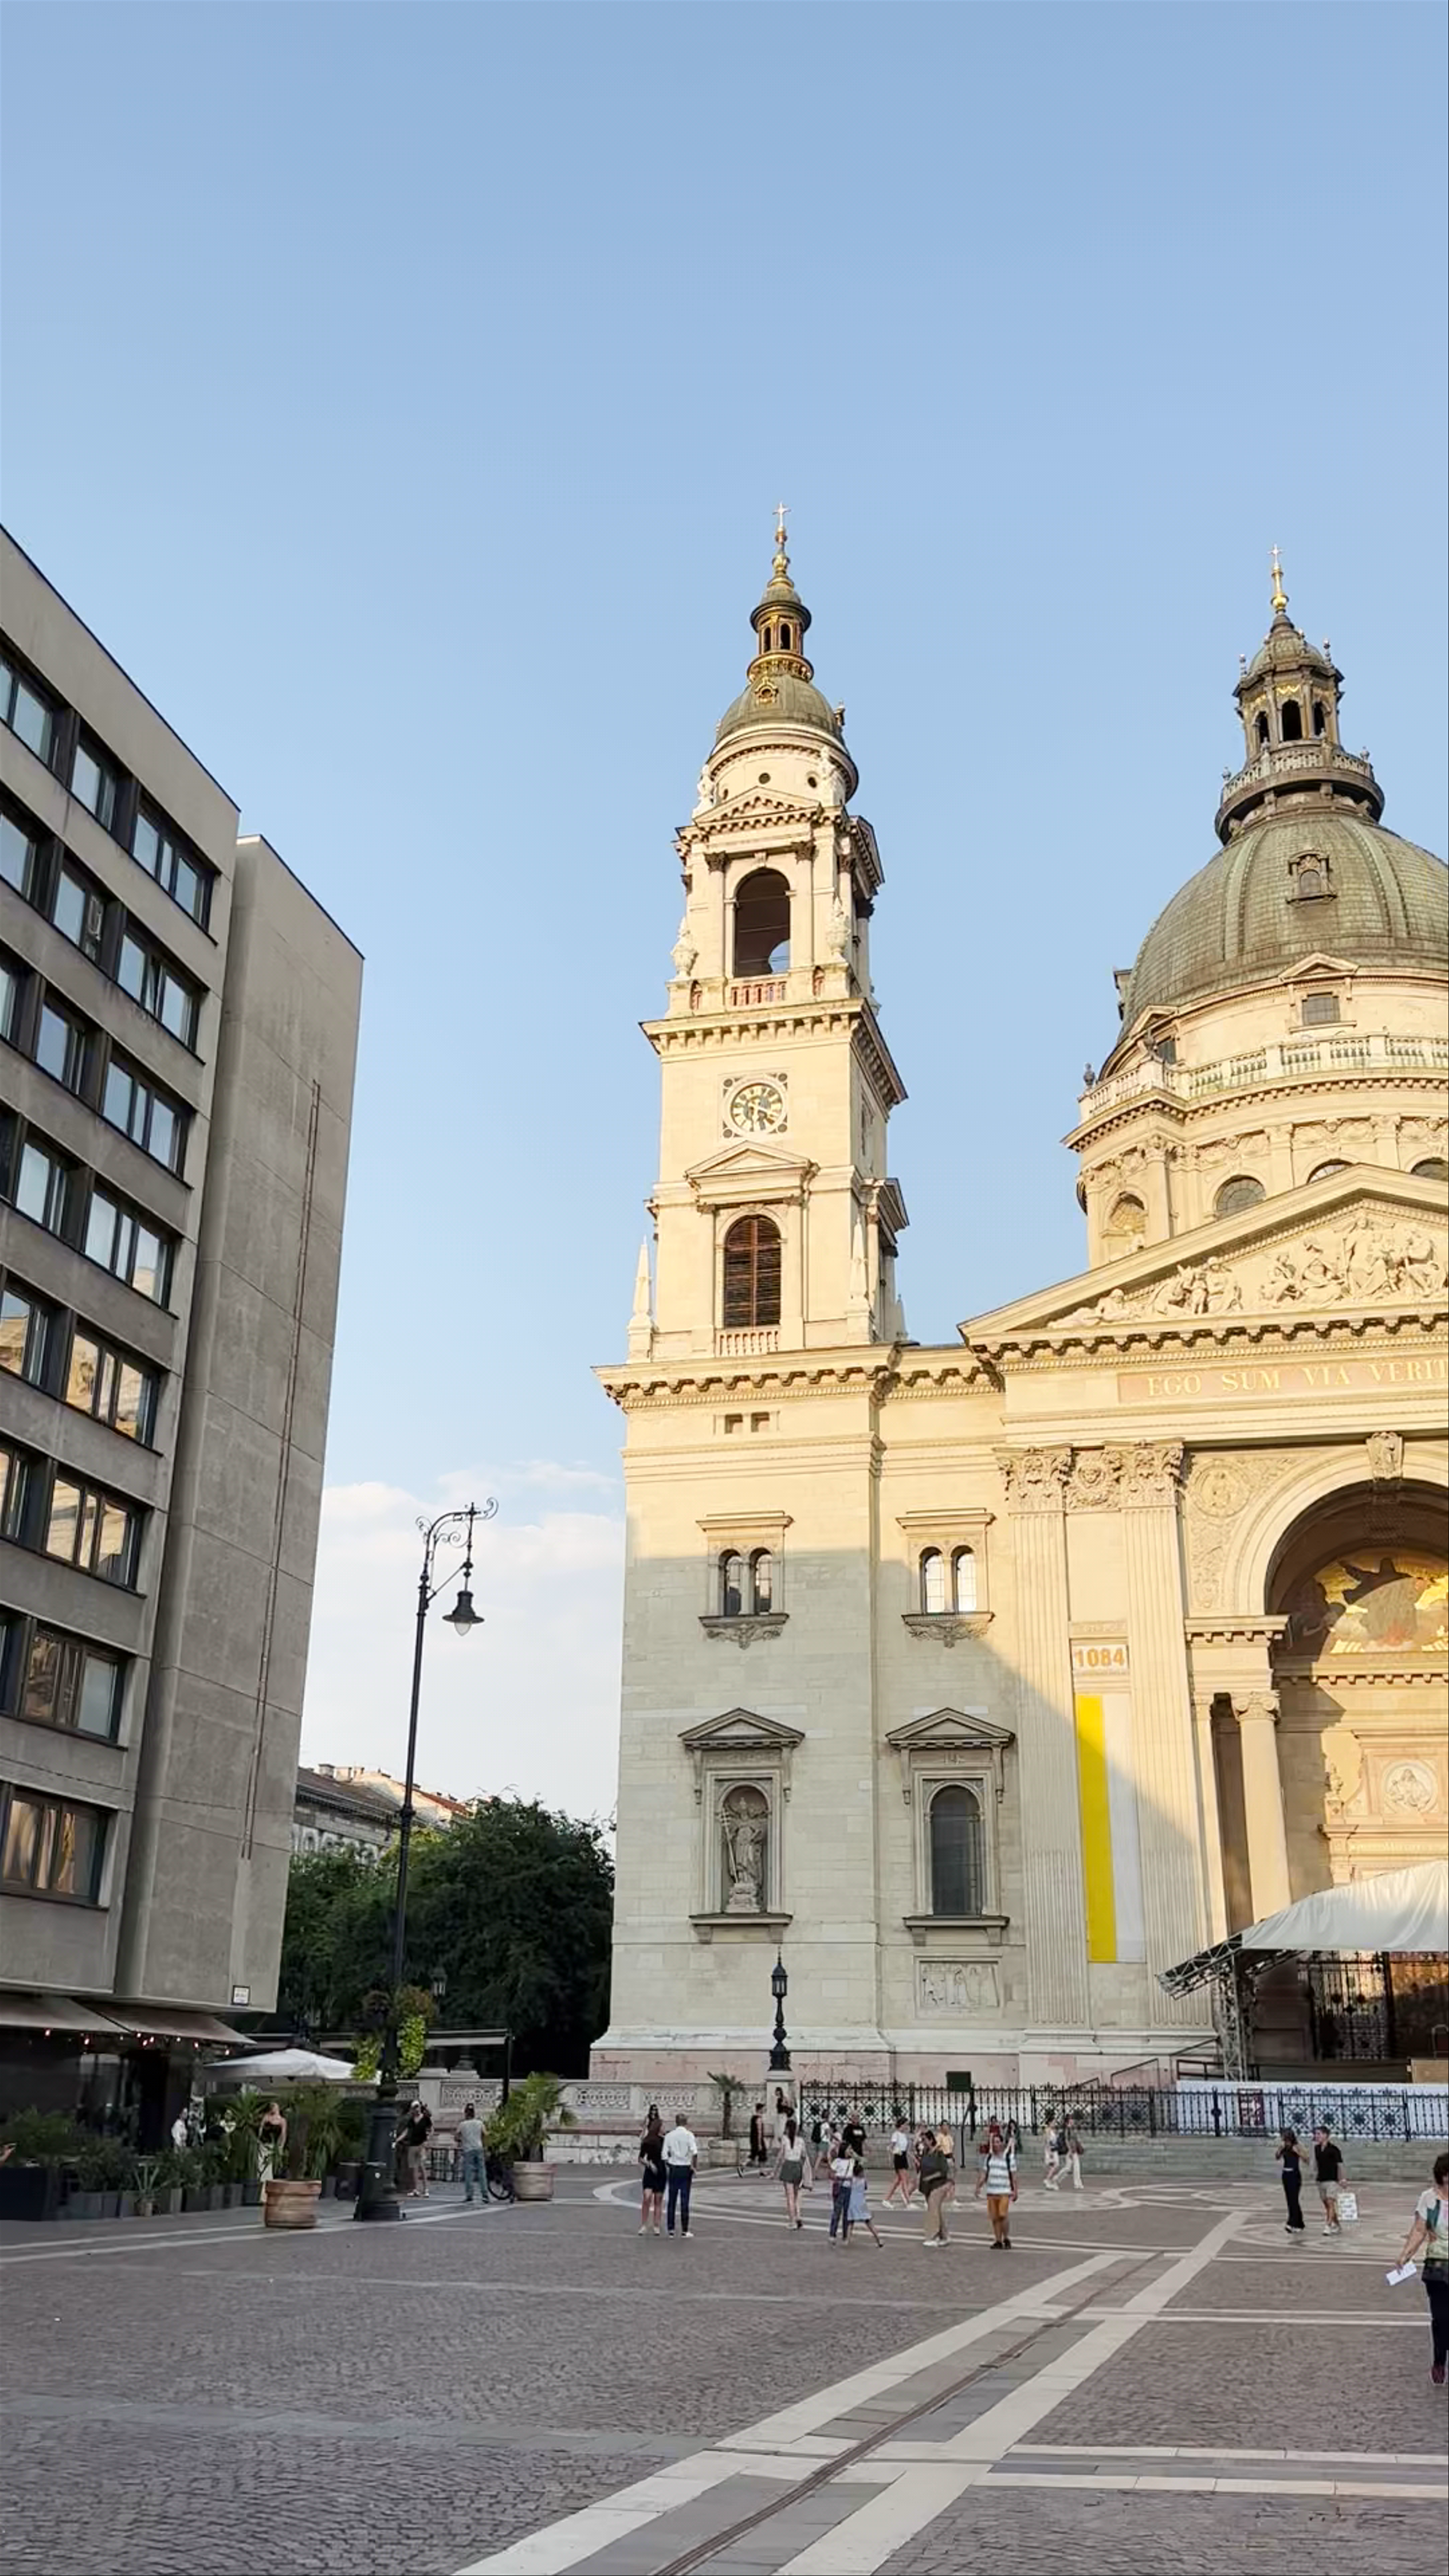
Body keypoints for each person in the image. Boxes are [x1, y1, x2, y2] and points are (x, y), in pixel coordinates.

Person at [1397, 2149, 1449, 2385]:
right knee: (1441, 2319)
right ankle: (1440, 2361)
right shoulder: (1429, 2198)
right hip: (1438, 2267)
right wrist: (1406, 2254)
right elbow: (1419, 2229)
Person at [976, 2121, 1018, 2248]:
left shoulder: (1009, 2158)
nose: (996, 2145)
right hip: (992, 2191)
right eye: (994, 2143)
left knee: (1003, 2215)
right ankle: (998, 2240)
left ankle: (1006, 2238)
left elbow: (1014, 2176)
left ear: (1002, 2144)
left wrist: (1015, 2191)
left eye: (998, 2142)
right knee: (995, 2218)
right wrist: (978, 2187)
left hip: (1004, 2191)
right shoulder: (989, 2158)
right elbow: (984, 2174)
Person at [661, 2110, 698, 2238]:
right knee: (685, 2199)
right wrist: (694, 2167)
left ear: (676, 2122)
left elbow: (664, 2156)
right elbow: (694, 2153)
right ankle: (685, 2230)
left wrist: (670, 2165)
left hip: (674, 2168)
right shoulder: (689, 2135)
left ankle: (671, 2229)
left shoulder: (669, 2136)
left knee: (671, 2200)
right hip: (685, 2168)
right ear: (686, 2123)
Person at [918, 2129, 952, 2245]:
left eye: (925, 2140)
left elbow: (943, 2171)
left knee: (933, 2209)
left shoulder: (939, 2153)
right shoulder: (926, 2152)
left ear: (931, 2140)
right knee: (936, 2210)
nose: (923, 2142)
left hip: (940, 2185)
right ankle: (945, 2236)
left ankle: (933, 2237)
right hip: (928, 2186)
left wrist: (930, 2178)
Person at [1312, 2124, 1346, 2235]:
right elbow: (1317, 2163)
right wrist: (1316, 2174)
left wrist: (1342, 2179)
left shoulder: (1334, 2150)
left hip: (1332, 2180)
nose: (1317, 2136)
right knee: (1327, 2205)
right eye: (1316, 2134)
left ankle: (1328, 2226)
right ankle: (1337, 2225)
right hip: (1321, 2180)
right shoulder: (1317, 2149)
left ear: (1326, 2135)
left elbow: (1340, 2165)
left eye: (1319, 2134)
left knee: (1331, 2202)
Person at [638, 2111, 667, 2234]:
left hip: (662, 2170)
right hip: (651, 2170)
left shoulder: (666, 2141)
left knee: (659, 2199)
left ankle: (656, 2225)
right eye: (663, 2126)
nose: (665, 2129)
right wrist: (649, 2164)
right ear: (658, 2128)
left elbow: (669, 2155)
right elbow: (640, 2158)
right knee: (647, 2197)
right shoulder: (648, 2141)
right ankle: (644, 2225)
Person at [1276, 2126, 1306, 2236]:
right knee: (1290, 2199)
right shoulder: (1284, 2147)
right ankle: (1299, 2223)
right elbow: (1277, 2157)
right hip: (1286, 2174)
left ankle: (1292, 2223)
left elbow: (1306, 2159)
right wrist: (1280, 2149)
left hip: (1295, 2174)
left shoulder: (1297, 2146)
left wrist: (1298, 2152)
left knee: (1294, 2199)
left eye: (1286, 2139)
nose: (1285, 2141)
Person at [848, 2156, 883, 2248]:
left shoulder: (851, 2180)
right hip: (862, 2204)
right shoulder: (863, 2181)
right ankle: (878, 2240)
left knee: (851, 2223)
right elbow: (866, 2188)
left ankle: (847, 2240)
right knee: (869, 2223)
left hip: (852, 2204)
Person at [400, 2098, 432, 2198]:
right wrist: (398, 2140)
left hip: (421, 2145)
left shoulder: (426, 2119)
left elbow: (431, 2130)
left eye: (418, 2107)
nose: (417, 2110)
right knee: (414, 2168)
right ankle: (416, 2189)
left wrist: (427, 2141)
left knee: (422, 2167)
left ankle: (426, 2189)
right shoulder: (411, 2120)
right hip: (413, 2145)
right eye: (415, 2108)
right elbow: (407, 2132)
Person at [457, 2102, 486, 2204]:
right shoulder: (480, 2123)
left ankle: (470, 2195)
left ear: (466, 2113)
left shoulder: (462, 2125)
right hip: (479, 2148)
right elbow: (485, 2134)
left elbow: (457, 2136)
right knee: (482, 2173)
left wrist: (462, 2140)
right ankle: (485, 2195)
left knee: (469, 2174)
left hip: (468, 2150)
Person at [829, 2137, 856, 2241]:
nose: (851, 2151)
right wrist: (840, 2178)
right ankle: (833, 2234)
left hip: (849, 2189)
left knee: (847, 2213)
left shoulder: (852, 2161)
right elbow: (831, 2174)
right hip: (840, 2188)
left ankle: (845, 2235)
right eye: (849, 2149)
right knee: (837, 2212)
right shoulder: (838, 2161)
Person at [885, 2120, 914, 2207]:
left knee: (898, 2181)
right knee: (904, 2179)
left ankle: (887, 2199)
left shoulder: (904, 2135)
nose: (907, 2126)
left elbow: (907, 2150)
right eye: (906, 2125)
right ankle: (908, 2202)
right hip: (899, 2157)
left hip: (904, 2157)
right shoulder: (896, 2134)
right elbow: (890, 2147)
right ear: (901, 2125)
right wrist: (895, 2152)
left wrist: (914, 2159)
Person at [256, 2100, 286, 2181]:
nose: (273, 2109)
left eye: (274, 2107)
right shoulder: (267, 2117)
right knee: (261, 2162)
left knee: (270, 2164)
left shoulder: (282, 2121)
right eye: (272, 2107)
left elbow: (283, 2134)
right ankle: (261, 2179)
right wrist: (258, 2140)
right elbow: (261, 2129)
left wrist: (281, 2146)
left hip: (273, 2145)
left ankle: (268, 2180)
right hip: (264, 2143)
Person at [1063, 2113, 1084, 2192]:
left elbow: (1076, 2139)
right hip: (1071, 2151)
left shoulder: (1073, 2129)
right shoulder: (1068, 2130)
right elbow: (1067, 2141)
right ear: (1068, 2121)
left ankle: (1078, 2183)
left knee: (1077, 2167)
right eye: (1071, 2120)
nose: (1073, 2121)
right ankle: (1057, 2178)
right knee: (1068, 2168)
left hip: (1075, 2150)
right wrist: (1070, 2151)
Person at [1043, 2115, 1062, 2192]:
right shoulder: (1048, 2130)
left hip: (1054, 2149)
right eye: (1053, 2122)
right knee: (1055, 2165)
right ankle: (1048, 2179)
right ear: (1050, 2123)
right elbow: (1047, 2141)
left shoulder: (1052, 2130)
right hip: (1051, 2150)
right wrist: (1049, 2151)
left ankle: (1050, 2181)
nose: (1055, 2124)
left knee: (1054, 2166)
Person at [748, 2102, 769, 2170]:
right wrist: (760, 2144)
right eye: (763, 2109)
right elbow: (759, 2132)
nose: (764, 2110)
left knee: (754, 2155)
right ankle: (762, 2170)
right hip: (758, 2139)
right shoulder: (759, 2119)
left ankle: (761, 2170)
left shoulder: (753, 2118)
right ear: (760, 2110)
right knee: (762, 2154)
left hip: (753, 2139)